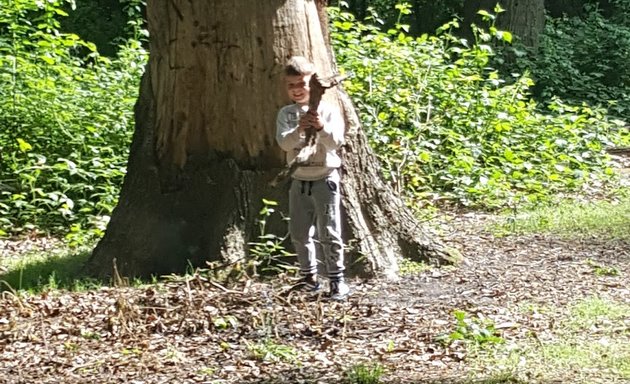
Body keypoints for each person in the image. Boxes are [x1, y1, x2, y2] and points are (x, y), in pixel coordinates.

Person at [275, 56, 350, 300]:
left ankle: (336, 280)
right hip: (299, 180)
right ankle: (309, 277)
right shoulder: (286, 114)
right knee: (298, 231)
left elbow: (336, 142)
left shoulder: (328, 111)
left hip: (324, 179)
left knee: (329, 230)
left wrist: (319, 127)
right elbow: (284, 144)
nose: (297, 90)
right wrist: (299, 130)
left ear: (313, 85)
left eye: (302, 84)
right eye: (291, 85)